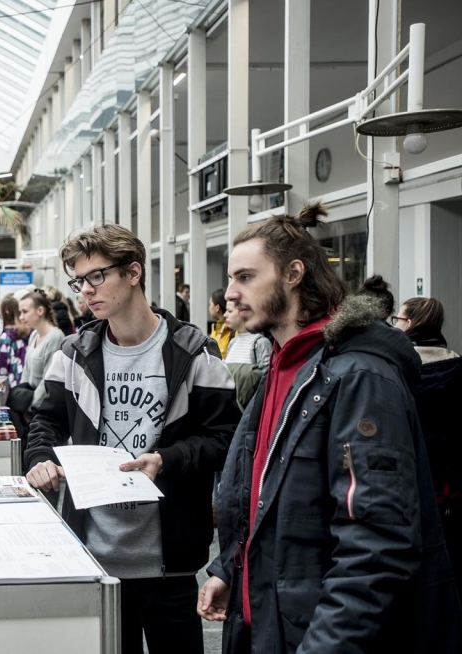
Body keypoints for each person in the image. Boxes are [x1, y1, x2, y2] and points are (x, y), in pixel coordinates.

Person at [198, 204, 462, 653]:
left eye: (245, 277)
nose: (230, 294)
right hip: (268, 624)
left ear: (293, 274)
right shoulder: (284, 365)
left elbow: (375, 544)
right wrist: (231, 569)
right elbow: (261, 496)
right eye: (230, 279)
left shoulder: (359, 377)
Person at [25, 224, 240, 654]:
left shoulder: (193, 353)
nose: (86, 290)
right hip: (94, 556)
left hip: (170, 561)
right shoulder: (74, 353)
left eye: (97, 276)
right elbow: (44, 421)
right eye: (79, 281)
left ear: (134, 272)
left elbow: (226, 439)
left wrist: (167, 459)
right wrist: (41, 457)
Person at [395, 296, 462, 597]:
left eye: (397, 319)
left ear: (409, 323)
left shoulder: (399, 371)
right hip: (451, 485)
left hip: (411, 483)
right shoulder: (457, 364)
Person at [17, 290, 66, 410]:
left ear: (40, 311)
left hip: (44, 408)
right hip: (32, 404)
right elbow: (26, 373)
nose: (21, 317)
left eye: (25, 312)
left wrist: (31, 407)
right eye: (20, 312)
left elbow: (48, 380)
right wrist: (21, 399)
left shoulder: (55, 337)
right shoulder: (34, 335)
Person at [222, 300, 271, 410]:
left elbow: (267, 382)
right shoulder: (232, 342)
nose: (225, 315)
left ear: (243, 312)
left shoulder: (260, 343)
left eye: (229, 311)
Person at [0, 295, 28, 388]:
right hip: (24, 381)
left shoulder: (7, 337)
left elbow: (1, 366)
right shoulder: (26, 332)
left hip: (12, 384)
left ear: (6, 312)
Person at [209, 288, 234, 358]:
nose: (209, 308)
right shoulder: (215, 329)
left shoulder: (234, 331)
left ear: (217, 308)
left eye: (210, 304)